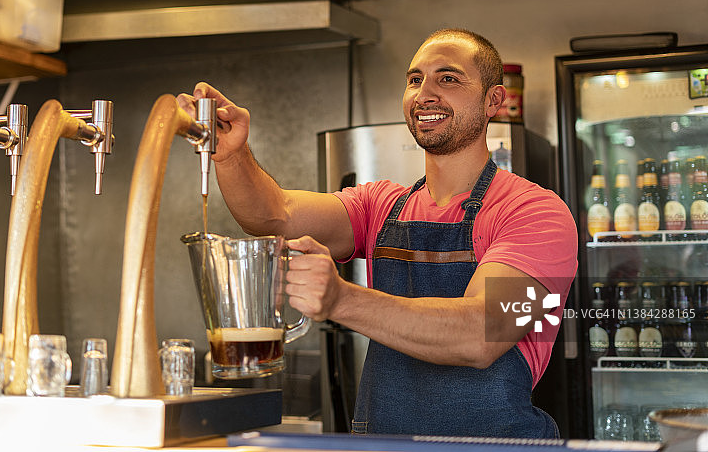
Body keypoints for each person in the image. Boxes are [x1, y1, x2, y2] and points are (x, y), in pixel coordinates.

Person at [177, 28, 577, 439]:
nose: (425, 94)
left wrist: (341, 298)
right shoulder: (380, 205)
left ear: (493, 100)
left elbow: (481, 335)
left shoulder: (538, 214)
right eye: (415, 79)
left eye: (448, 78)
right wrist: (232, 154)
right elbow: (273, 215)